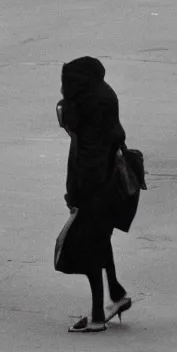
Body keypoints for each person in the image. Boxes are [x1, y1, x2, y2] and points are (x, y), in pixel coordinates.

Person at [56, 56, 133, 333]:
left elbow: (85, 160)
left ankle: (98, 315)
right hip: (111, 184)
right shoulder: (104, 94)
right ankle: (116, 291)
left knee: (89, 248)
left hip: (93, 189)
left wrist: (75, 195)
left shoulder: (86, 110)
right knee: (102, 240)